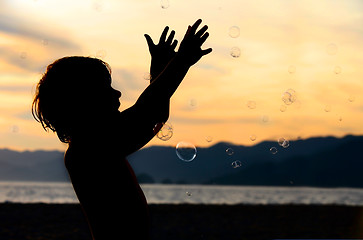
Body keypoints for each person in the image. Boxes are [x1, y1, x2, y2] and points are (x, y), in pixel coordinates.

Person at [32, 19, 212, 239]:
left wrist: (160, 72)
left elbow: (153, 116)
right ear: (82, 101)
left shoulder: (94, 144)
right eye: (105, 89)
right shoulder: (88, 149)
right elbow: (147, 113)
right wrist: (181, 61)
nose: (117, 94)